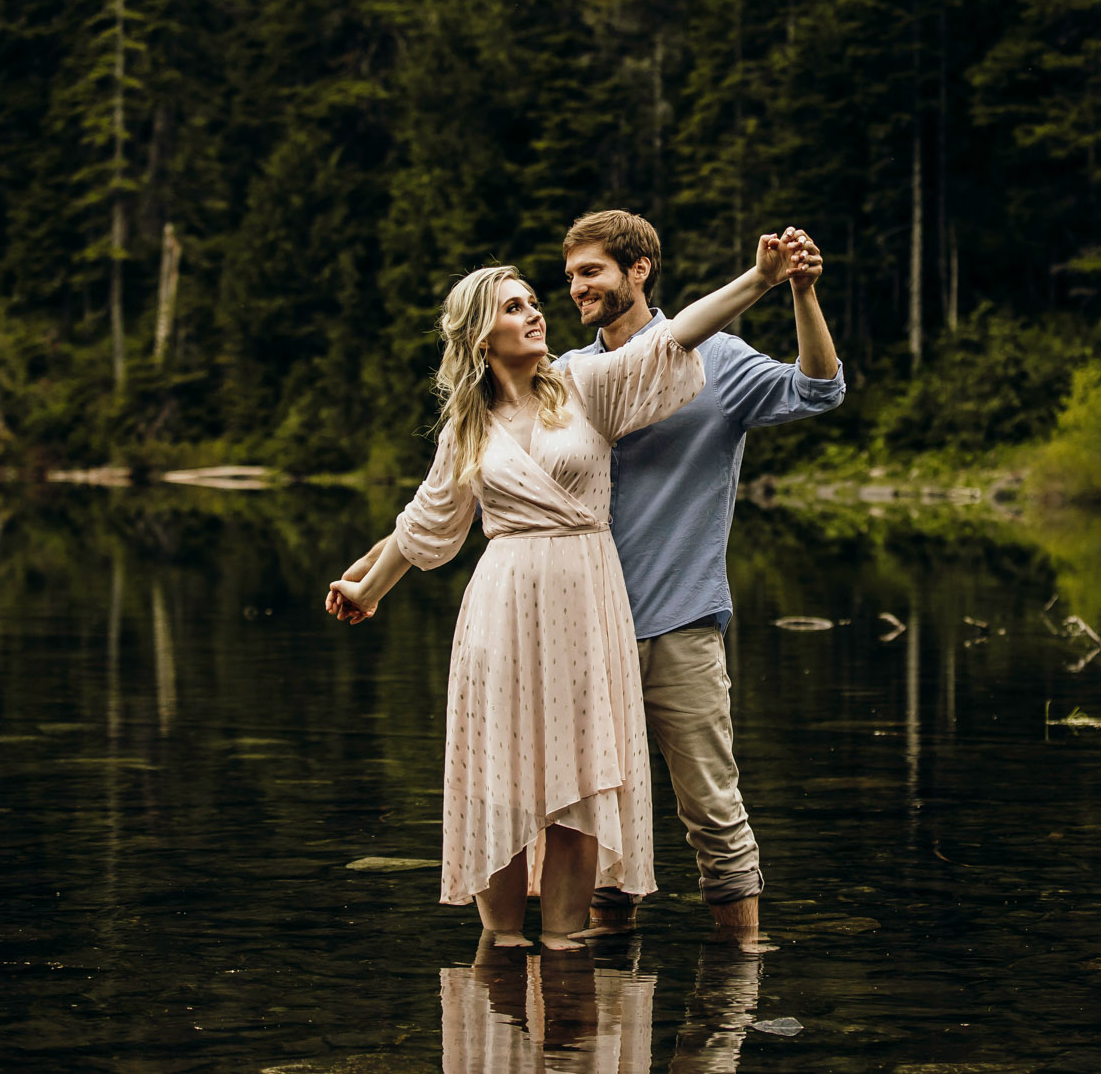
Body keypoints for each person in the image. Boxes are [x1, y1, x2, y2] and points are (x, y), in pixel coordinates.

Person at [338, 210, 843, 946]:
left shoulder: (656, 371)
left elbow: (803, 383)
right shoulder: (561, 378)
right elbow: (437, 508)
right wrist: (370, 577)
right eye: (559, 279)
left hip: (673, 615)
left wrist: (779, 285)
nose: (565, 291)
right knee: (580, 800)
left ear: (638, 269)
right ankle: (582, 1002)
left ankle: (738, 986)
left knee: (709, 807)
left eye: (587, 273)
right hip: (561, 631)